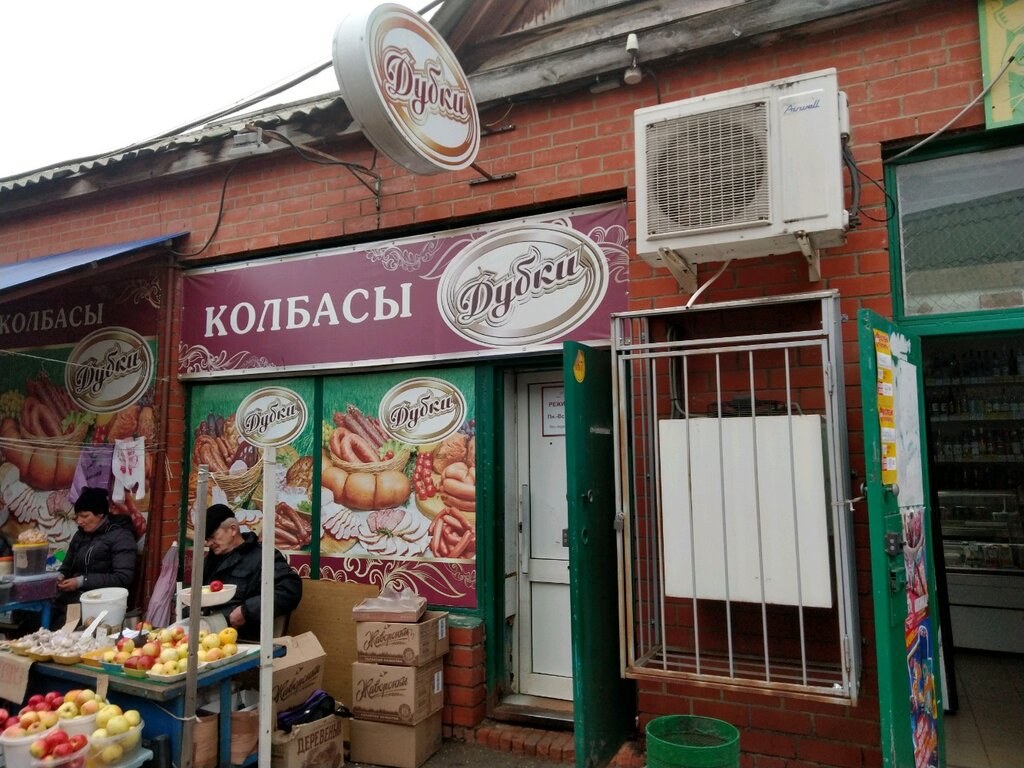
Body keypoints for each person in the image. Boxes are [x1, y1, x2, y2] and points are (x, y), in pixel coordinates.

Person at [201, 504, 302, 642]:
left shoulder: (263, 557)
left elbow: (289, 590)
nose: (209, 543)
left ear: (232, 529)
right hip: (206, 635)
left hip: (241, 639)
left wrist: (246, 611)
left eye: (213, 536)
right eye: (207, 539)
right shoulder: (209, 560)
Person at [56, 487, 138, 616]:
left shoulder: (121, 536)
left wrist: (81, 581)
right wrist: (60, 576)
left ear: (100, 514)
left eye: (85, 516)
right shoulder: (80, 536)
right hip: (76, 598)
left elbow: (122, 578)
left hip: (104, 602)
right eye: (77, 516)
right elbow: (67, 566)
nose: (79, 521)